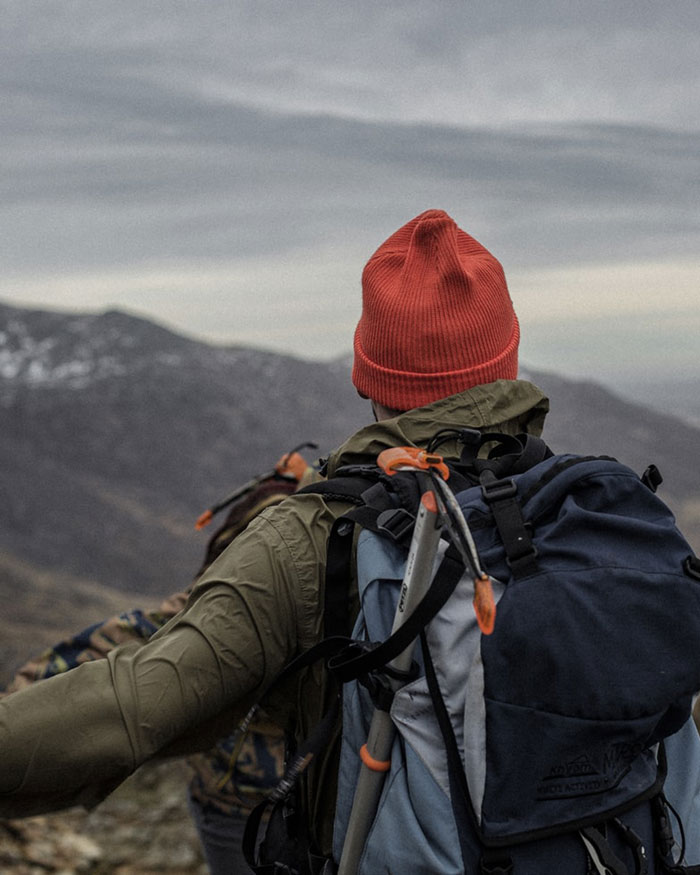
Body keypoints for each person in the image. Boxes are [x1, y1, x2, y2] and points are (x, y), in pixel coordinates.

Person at [0, 209, 697, 869]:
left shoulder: (311, 534)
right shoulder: (580, 508)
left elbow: (137, 704)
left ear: (370, 375)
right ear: (508, 360)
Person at [2, 446, 319, 874]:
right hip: (248, 800)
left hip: (261, 794)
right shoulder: (292, 542)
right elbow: (158, 636)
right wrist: (25, 705)